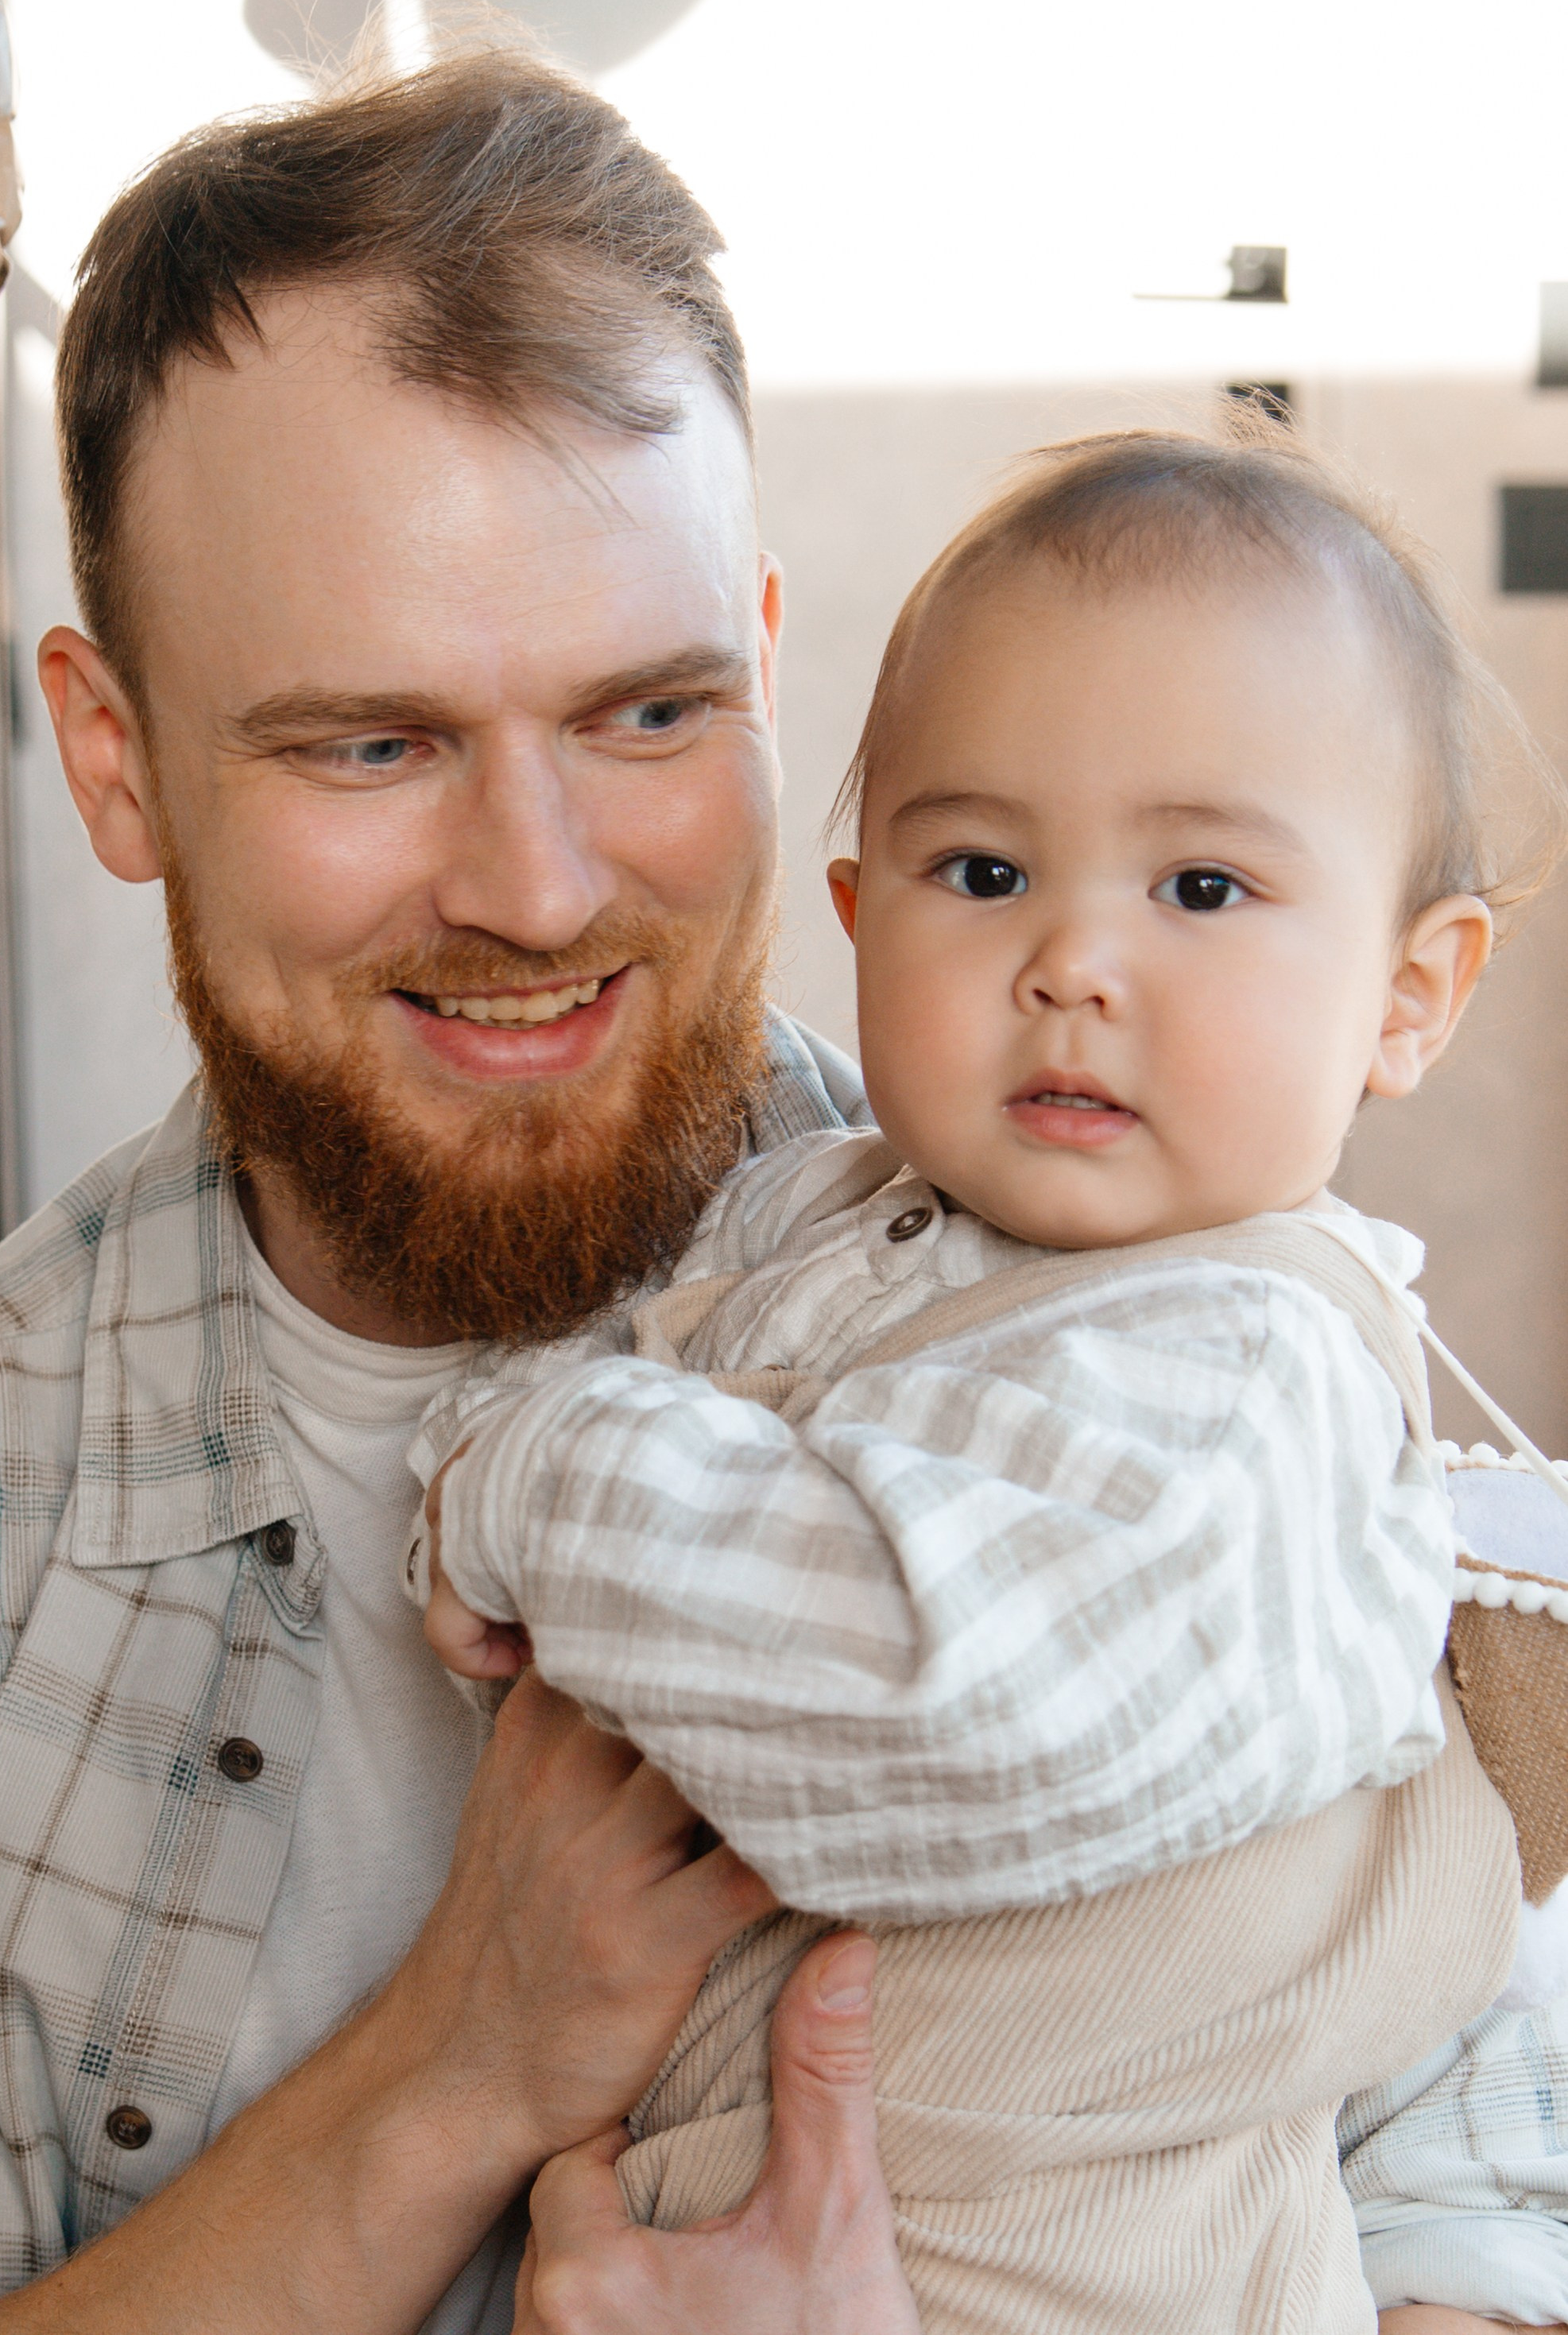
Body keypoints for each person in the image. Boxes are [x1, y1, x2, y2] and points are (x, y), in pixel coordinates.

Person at [0, 33, 1547, 2334]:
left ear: (766, 671)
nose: (537, 884)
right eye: (370, 742)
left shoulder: (1162, 1324)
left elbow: (1485, 2210)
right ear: (114, 751)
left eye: (646, 715)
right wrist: (444, 2072)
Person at [411, 427, 1562, 2329]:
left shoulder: (1249, 1371)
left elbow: (934, 1705)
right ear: (856, 920)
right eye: (983, 865)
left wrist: (525, 1483)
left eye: (1201, 887)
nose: (1070, 960)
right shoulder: (811, 1216)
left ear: (1407, 995)